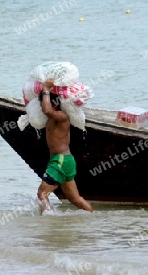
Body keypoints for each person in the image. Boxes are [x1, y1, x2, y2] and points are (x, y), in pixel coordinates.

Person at [36, 78, 94, 214]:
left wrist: (45, 89)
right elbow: (46, 111)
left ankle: (48, 223)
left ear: (55, 105)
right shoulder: (52, 119)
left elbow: (47, 111)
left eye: (44, 104)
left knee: (42, 194)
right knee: (75, 199)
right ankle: (93, 217)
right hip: (65, 161)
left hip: (60, 161)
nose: (42, 107)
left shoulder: (61, 117)